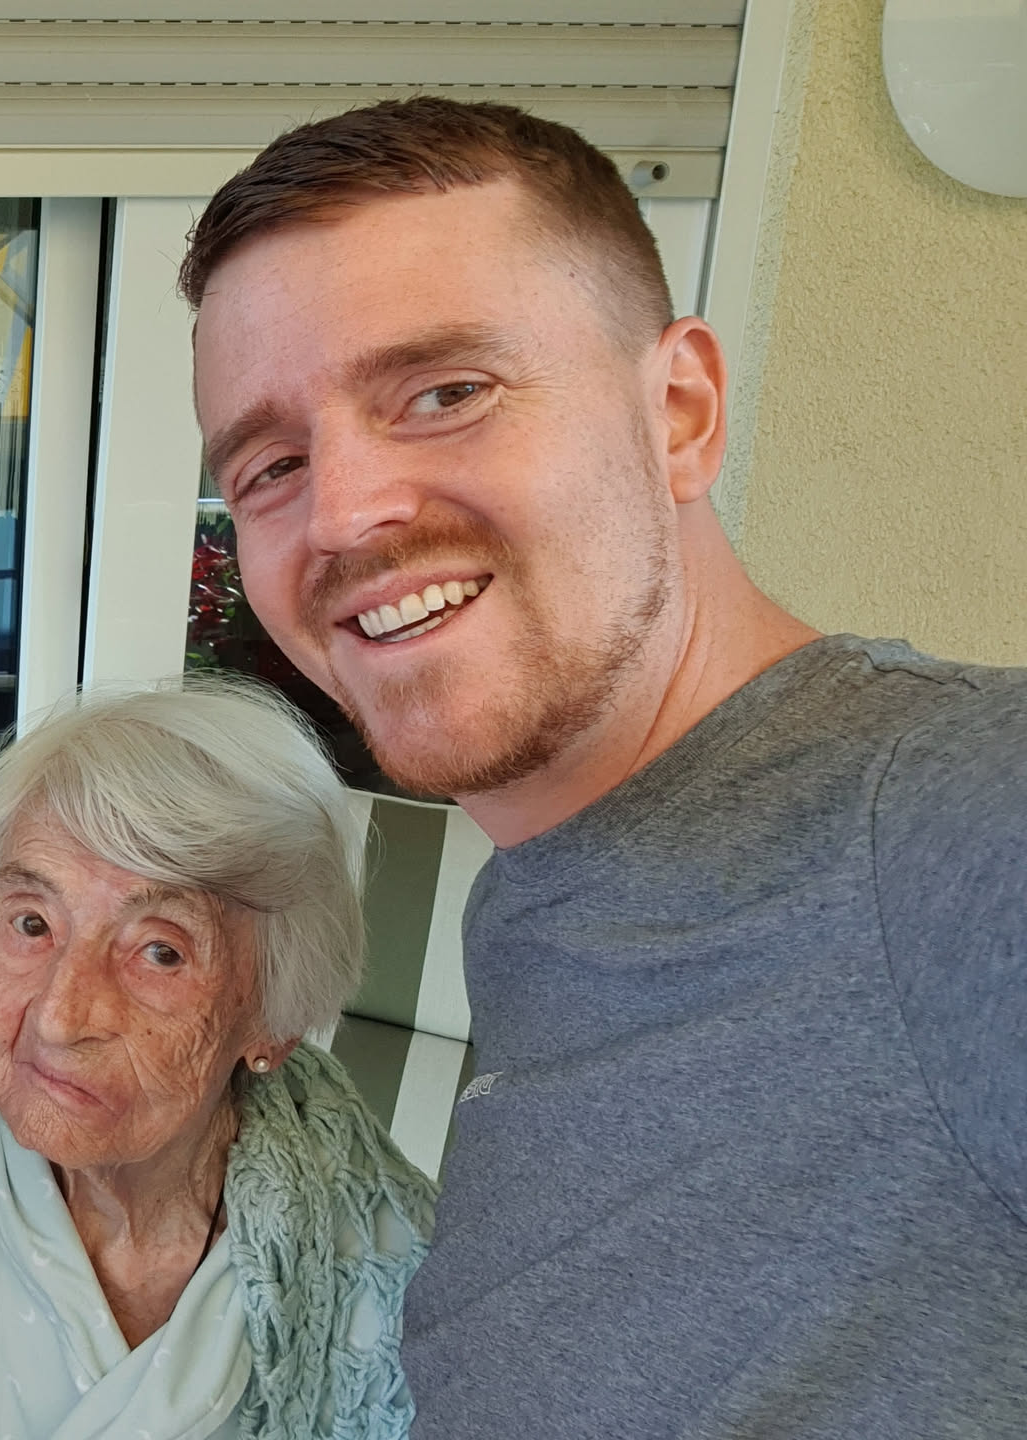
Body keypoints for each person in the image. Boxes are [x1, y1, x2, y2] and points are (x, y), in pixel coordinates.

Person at [181, 97, 1027, 1435]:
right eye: (272, 465)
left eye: (446, 394)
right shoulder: (543, 890)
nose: (342, 513)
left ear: (678, 412)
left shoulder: (958, 825)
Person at [0, 679, 437, 1440]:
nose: (58, 1017)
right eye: (31, 923)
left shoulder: (395, 1269)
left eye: (160, 952)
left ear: (273, 1024)